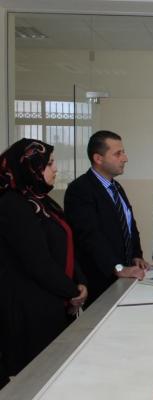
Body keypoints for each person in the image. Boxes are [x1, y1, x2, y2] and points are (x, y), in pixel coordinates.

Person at [0, 139, 87, 388]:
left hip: (55, 300)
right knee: (36, 380)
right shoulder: (12, 205)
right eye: (49, 164)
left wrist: (80, 282)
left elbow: (67, 245)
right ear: (30, 167)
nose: (56, 169)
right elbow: (37, 262)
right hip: (30, 309)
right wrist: (71, 291)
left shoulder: (42, 201)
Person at [64, 130, 148, 306]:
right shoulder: (80, 189)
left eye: (123, 152)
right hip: (101, 281)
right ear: (98, 158)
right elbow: (89, 236)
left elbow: (129, 225)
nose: (125, 158)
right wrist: (117, 268)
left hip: (126, 276)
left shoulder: (116, 187)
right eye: (118, 153)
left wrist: (136, 255)